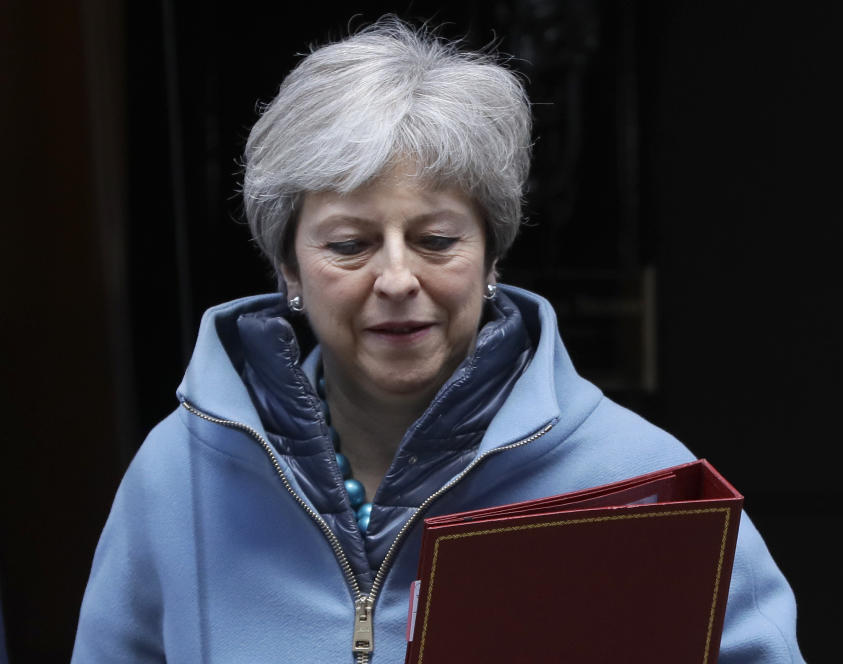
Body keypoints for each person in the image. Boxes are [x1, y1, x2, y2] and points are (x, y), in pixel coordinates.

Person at [72, 18, 804, 664]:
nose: (396, 277)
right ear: (288, 268)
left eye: (435, 239)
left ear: (491, 256)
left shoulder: (641, 486)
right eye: (350, 244)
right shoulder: (181, 474)